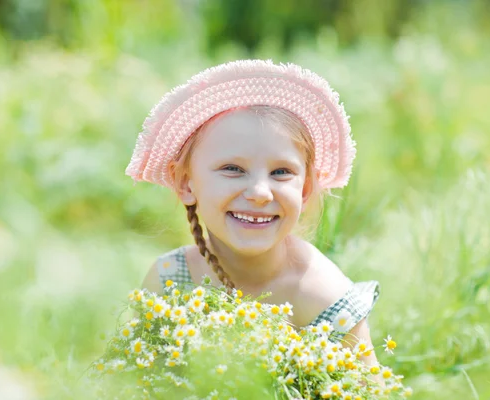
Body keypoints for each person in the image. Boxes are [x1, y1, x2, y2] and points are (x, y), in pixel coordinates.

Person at [126, 59, 381, 368]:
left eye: (281, 172)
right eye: (233, 169)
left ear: (304, 189)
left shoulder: (324, 298)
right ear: (185, 182)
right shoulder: (171, 281)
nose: (260, 192)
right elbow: (132, 380)